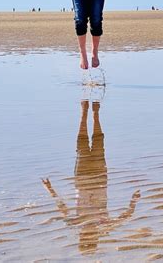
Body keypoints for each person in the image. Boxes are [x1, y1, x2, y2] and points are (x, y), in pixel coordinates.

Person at [42, 101, 140, 254]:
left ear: (81, 237)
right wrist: (133, 201)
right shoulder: (104, 225)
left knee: (82, 145)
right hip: (100, 178)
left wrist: (50, 189)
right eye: (89, 238)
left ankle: (84, 112)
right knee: (99, 145)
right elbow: (126, 217)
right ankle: (95, 113)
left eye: (85, 237)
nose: (87, 234)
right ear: (94, 239)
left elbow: (62, 207)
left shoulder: (76, 224)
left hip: (82, 179)